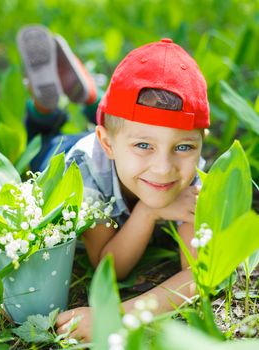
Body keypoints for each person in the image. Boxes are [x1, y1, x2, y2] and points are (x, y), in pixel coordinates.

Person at [17, 25, 209, 342]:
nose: (164, 170)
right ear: (106, 144)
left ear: (200, 143)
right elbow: (108, 265)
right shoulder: (84, 173)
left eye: (183, 147)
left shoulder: (188, 175)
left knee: (128, 125)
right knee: (39, 141)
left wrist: (120, 315)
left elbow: (199, 275)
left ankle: (93, 98)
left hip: (115, 141)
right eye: (145, 147)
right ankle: (44, 106)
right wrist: (147, 212)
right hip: (63, 153)